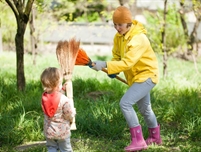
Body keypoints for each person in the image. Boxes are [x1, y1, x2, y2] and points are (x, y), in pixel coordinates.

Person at [91, 6, 162, 151]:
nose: (117, 28)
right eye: (115, 25)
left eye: (120, 25)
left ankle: (138, 141)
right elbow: (117, 57)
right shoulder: (119, 37)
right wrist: (111, 69)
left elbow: (128, 62)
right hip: (136, 77)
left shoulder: (138, 38)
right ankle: (155, 137)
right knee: (145, 109)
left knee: (125, 103)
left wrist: (105, 64)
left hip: (147, 75)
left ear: (129, 24)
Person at [40, 67, 76, 152]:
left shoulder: (44, 97)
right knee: (65, 150)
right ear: (57, 85)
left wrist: (62, 90)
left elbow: (54, 98)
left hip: (49, 131)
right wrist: (73, 112)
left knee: (51, 148)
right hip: (62, 132)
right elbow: (69, 115)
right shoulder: (64, 100)